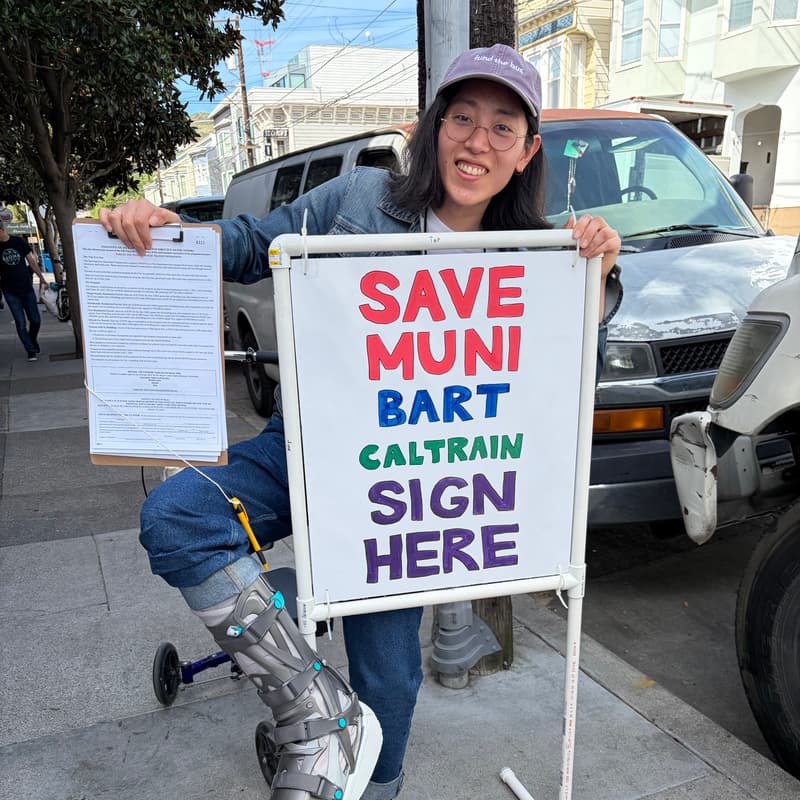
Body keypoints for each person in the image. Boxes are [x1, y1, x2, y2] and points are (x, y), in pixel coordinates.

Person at [99, 43, 622, 800]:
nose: (477, 140)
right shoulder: (357, 199)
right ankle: (315, 714)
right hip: (308, 450)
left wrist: (598, 275)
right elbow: (252, 245)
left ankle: (370, 784)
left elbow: (570, 366)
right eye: (462, 117)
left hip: (412, 491)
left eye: (502, 127)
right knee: (175, 515)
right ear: (433, 125)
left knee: (393, 682)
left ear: (526, 151)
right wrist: (163, 229)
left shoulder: (538, 252)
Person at [0, 216, 49, 361]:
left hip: (26, 288)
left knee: (35, 319)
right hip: (9, 291)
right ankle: (30, 350)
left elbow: (31, 261)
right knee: (20, 322)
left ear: (2, 230)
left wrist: (41, 277)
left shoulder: (18, 242)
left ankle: (32, 339)